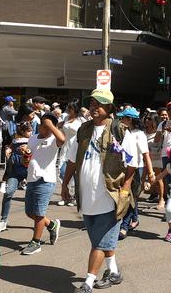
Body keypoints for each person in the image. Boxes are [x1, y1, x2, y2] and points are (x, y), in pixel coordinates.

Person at [61, 89, 138, 293]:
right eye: (92, 104)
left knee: (100, 243)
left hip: (110, 195)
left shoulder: (120, 131)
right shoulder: (83, 130)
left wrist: (126, 188)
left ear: (110, 108)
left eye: (99, 104)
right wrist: (64, 185)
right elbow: (71, 160)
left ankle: (88, 282)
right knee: (100, 240)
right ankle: (114, 272)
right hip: (87, 197)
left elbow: (133, 164)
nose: (94, 108)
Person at [20, 112, 65, 255]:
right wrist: (25, 156)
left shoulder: (53, 139)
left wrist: (51, 125)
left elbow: (62, 140)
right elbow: (26, 160)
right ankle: (52, 225)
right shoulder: (33, 138)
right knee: (29, 212)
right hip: (32, 178)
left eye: (45, 125)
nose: (41, 127)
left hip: (46, 180)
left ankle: (35, 242)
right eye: (41, 124)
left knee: (39, 214)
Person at [117, 107, 154, 239]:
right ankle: (135, 219)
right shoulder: (126, 132)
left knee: (129, 197)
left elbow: (146, 155)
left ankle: (124, 227)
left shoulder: (140, 134)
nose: (120, 120)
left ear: (130, 119)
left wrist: (150, 174)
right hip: (125, 168)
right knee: (132, 197)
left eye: (123, 118)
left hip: (137, 169)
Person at [0, 122, 33, 232]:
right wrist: (8, 149)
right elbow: (10, 147)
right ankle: (3, 220)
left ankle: (42, 221)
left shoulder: (33, 141)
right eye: (28, 131)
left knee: (34, 198)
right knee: (8, 193)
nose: (31, 133)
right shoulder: (15, 139)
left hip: (29, 171)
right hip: (14, 171)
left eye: (31, 130)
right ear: (22, 131)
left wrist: (28, 150)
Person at [57, 100, 83, 206]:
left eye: (70, 107)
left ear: (75, 109)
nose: (68, 109)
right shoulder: (66, 118)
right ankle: (65, 195)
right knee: (62, 171)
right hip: (64, 147)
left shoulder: (81, 120)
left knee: (75, 174)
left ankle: (74, 196)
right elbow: (60, 128)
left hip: (76, 148)